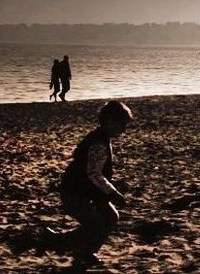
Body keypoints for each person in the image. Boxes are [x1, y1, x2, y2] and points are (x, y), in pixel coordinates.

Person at [40, 101, 133, 266]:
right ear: (109, 121)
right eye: (122, 124)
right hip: (75, 191)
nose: (124, 129)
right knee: (95, 225)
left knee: (110, 217)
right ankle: (72, 247)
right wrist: (113, 192)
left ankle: (76, 247)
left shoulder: (102, 138)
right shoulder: (98, 143)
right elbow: (94, 174)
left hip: (91, 191)